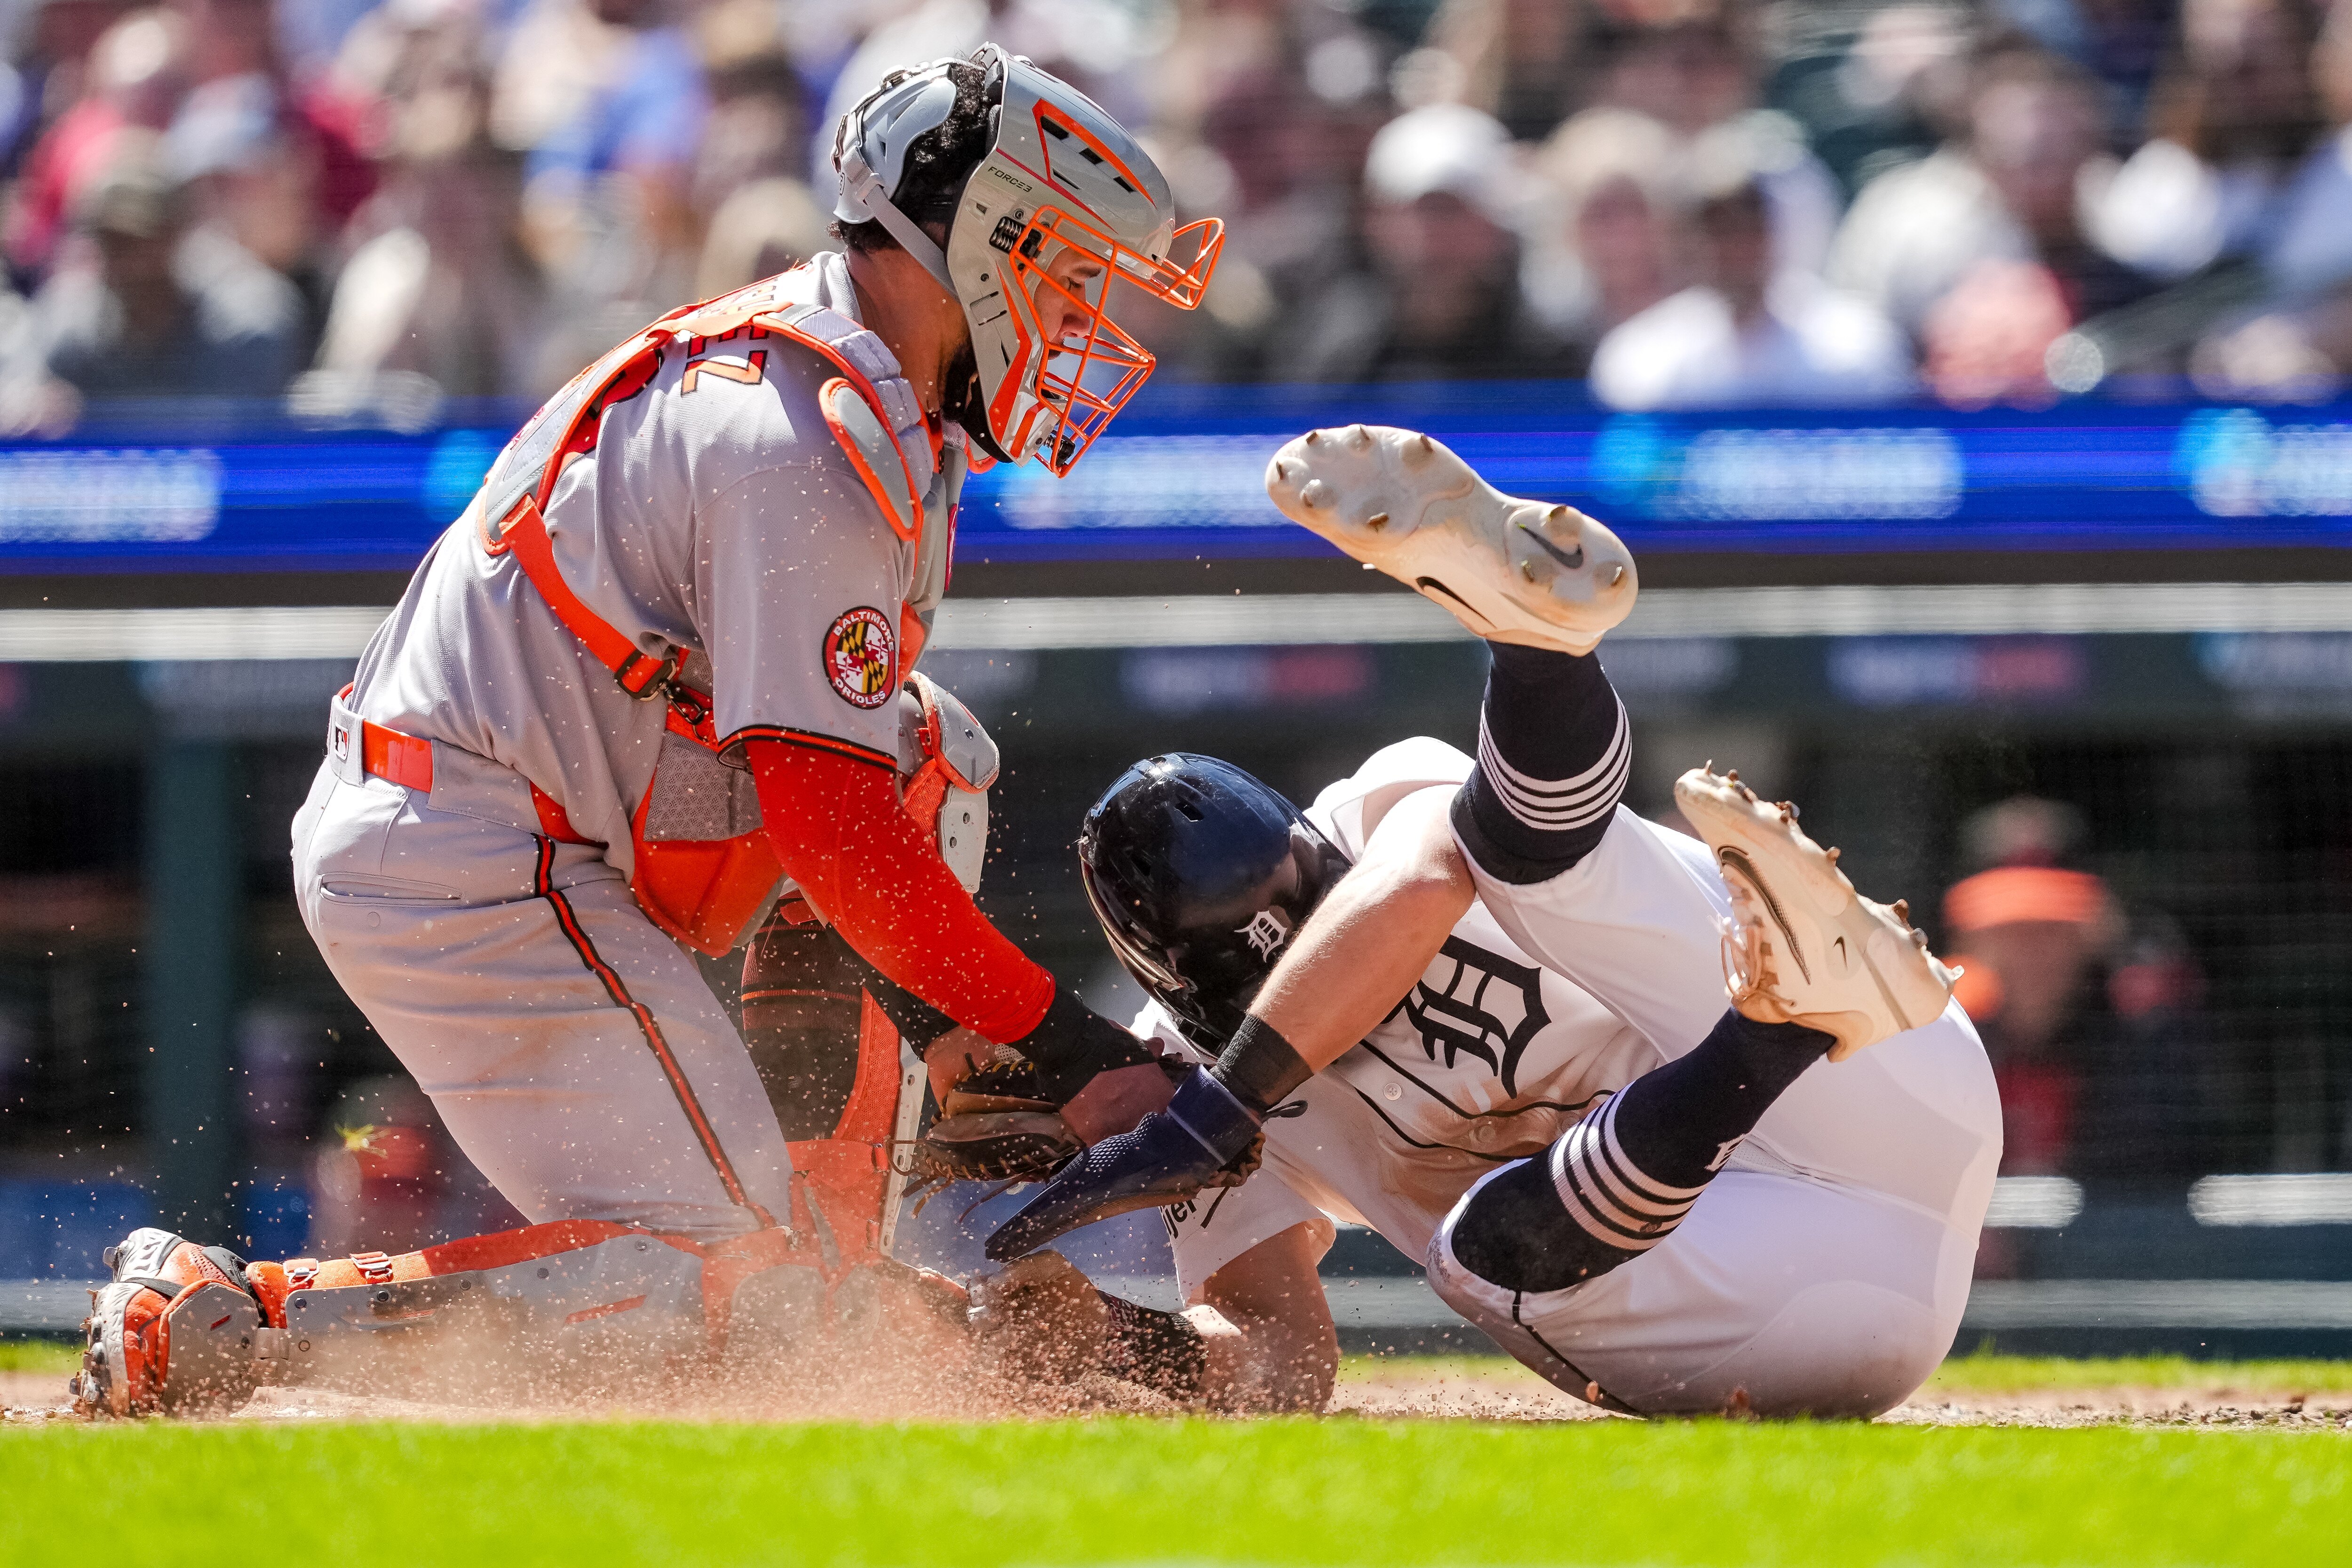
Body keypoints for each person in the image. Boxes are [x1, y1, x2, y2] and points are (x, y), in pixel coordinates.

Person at [71, 44, 1224, 1418]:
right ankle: (229, 1317)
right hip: (474, 855)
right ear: (975, 236)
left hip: (536, 832)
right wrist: (1062, 1041)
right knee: (729, 1291)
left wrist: (972, 1028)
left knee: (931, 752)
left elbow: (847, 797)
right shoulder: (805, 426)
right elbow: (827, 826)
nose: (1087, 307)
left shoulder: (871, 391)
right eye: (1067, 262)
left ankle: (828, 1271)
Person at [983, 424, 2001, 1417]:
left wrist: (1218, 1112)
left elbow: (1426, 876)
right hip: (1798, 1289)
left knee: (1498, 851)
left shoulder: (1385, 811)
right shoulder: (1180, 1084)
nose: (1314, 978)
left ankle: (1540, 651)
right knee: (1482, 1252)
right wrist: (1120, 1342)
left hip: (1876, 1073)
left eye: (1318, 929)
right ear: (1194, 1005)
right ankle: (1775, 1025)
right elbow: (1287, 1365)